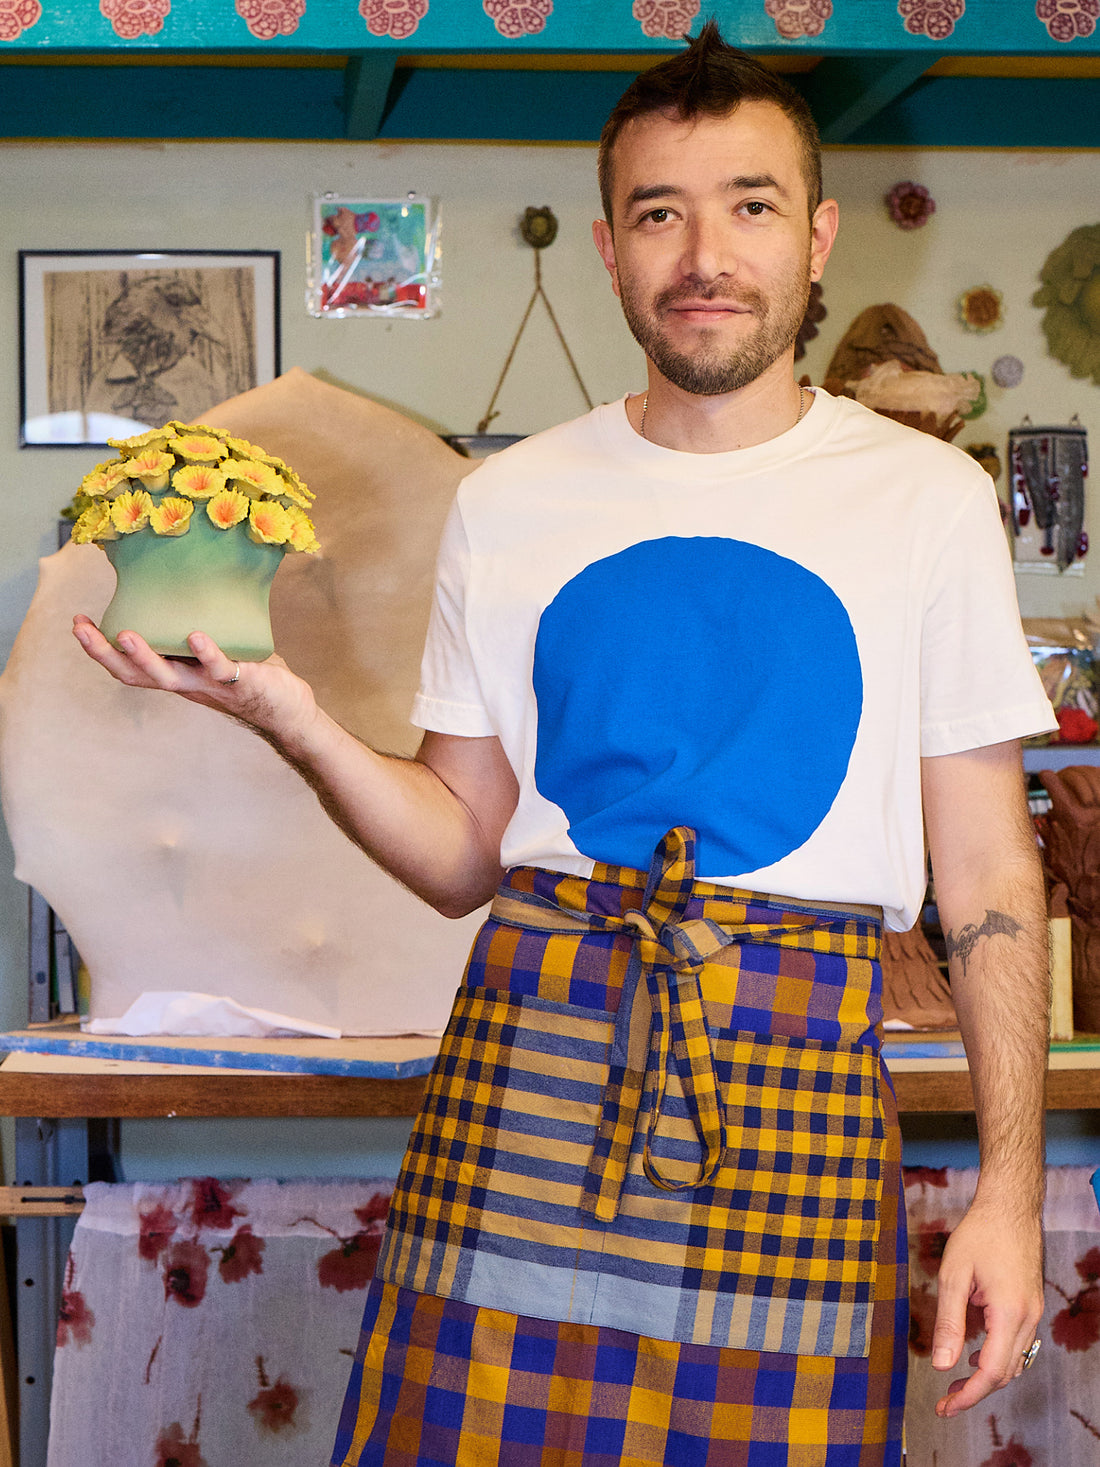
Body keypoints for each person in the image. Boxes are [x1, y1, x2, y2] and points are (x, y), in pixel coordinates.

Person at [74, 23, 1055, 1466]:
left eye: (751, 205)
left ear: (819, 236)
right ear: (611, 248)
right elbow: (464, 851)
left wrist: (1010, 1197)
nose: (704, 252)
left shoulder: (923, 500)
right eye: (662, 212)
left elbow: (985, 872)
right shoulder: (513, 501)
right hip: (532, 1039)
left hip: (793, 1067)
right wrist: (285, 715)